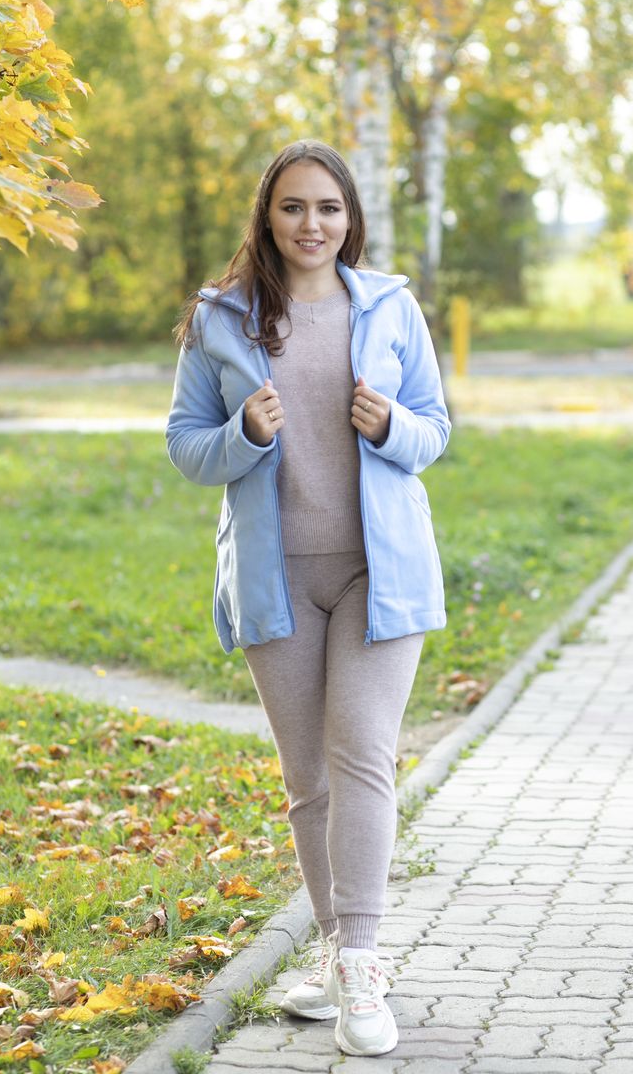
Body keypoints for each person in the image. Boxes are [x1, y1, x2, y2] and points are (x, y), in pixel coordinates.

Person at [165, 138, 450, 1057]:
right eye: (293, 207)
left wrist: (393, 425)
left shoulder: (393, 308)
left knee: (363, 754)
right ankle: (333, 958)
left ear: (350, 216)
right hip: (274, 576)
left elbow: (436, 429)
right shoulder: (223, 319)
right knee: (308, 781)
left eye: (328, 207)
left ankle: (363, 963)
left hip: (379, 571)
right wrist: (244, 432)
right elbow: (184, 444)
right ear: (267, 216)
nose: (312, 224)